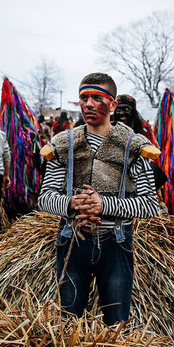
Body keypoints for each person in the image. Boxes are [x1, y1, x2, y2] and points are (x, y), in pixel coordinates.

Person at [38, 73, 158, 325]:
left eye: (97, 98)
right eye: (84, 98)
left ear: (113, 105)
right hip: (72, 240)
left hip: (116, 242)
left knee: (116, 323)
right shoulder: (63, 145)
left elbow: (150, 205)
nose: (89, 104)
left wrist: (104, 204)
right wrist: (72, 203)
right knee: (68, 322)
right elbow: (45, 198)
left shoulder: (135, 147)